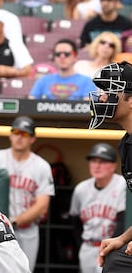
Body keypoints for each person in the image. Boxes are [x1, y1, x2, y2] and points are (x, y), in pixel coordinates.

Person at [0, 116, 54, 271]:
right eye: (16, 132)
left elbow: (42, 206)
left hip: (27, 230)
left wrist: (15, 221)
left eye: (24, 134)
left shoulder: (41, 166)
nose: (19, 137)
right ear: (10, 134)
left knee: (23, 270)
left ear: (32, 139)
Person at [88, 62, 132, 270]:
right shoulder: (127, 143)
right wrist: (123, 238)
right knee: (114, 261)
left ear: (131, 99)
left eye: (110, 91)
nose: (103, 98)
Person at [69, 143, 126, 273]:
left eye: (103, 161)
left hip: (111, 246)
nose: (97, 166)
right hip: (88, 247)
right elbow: (75, 223)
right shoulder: (81, 189)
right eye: (93, 161)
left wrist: (111, 248)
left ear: (113, 166)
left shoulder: (122, 185)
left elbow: (123, 222)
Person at [29, 39, 96, 100]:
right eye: (58, 54)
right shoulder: (43, 80)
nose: (62, 57)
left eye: (67, 54)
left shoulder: (87, 82)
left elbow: (88, 108)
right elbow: (30, 104)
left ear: (75, 57)